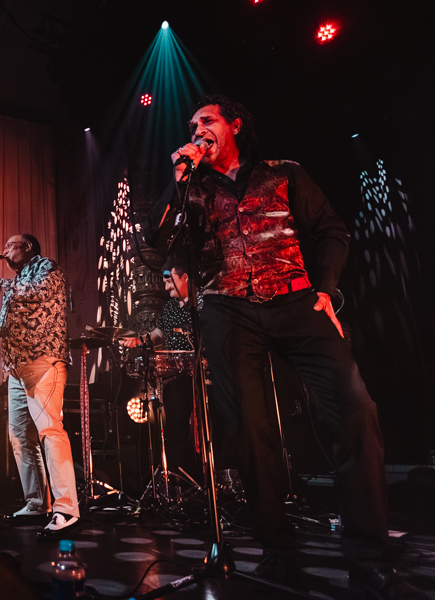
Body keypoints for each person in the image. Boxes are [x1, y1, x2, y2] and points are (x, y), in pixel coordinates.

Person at [147, 95, 401, 596]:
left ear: (235, 125)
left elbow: (332, 230)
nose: (197, 130)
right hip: (227, 308)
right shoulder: (190, 187)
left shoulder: (283, 172)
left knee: (356, 410)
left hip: (296, 300)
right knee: (248, 427)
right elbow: (155, 242)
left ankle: (369, 555)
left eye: (207, 121)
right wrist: (178, 178)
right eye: (192, 126)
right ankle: (278, 552)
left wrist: (325, 289)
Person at [0, 233, 80, 538]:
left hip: (43, 359)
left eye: (10, 246)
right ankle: (37, 504)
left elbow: (38, 292)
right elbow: (5, 325)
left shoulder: (46, 267)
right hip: (17, 368)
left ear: (28, 247)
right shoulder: (17, 282)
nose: (5, 250)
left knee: (50, 432)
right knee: (20, 437)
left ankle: (67, 509)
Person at [123, 256, 201, 479]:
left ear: (185, 278)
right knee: (175, 428)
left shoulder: (202, 303)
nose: (166, 287)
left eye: (169, 281)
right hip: (178, 377)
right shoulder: (169, 308)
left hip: (204, 376)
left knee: (209, 427)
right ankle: (179, 478)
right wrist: (138, 340)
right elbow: (158, 335)